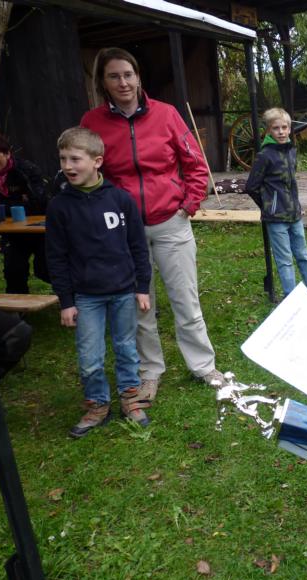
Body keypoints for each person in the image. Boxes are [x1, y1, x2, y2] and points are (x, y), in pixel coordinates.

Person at [80, 47, 223, 402]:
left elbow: (195, 163)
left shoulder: (166, 114)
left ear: (138, 77)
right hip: (123, 230)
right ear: (103, 82)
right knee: (139, 306)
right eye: (114, 76)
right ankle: (149, 372)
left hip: (171, 221)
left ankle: (203, 365)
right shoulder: (92, 123)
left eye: (128, 74)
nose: (123, 82)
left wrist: (189, 203)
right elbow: (86, 171)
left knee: (185, 299)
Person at [45, 127, 152, 437]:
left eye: (75, 159)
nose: (68, 166)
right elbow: (56, 258)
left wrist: (141, 287)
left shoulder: (121, 200)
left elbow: (138, 246)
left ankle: (130, 399)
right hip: (86, 296)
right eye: (63, 159)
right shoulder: (59, 207)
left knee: (126, 348)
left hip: (123, 292)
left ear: (97, 161)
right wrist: (66, 302)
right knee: (90, 357)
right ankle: (97, 405)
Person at [246, 108, 307, 308]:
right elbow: (251, 186)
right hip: (276, 219)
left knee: (304, 256)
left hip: (294, 215)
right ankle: (292, 301)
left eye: (284, 127)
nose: (281, 132)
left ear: (289, 128)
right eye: (276, 128)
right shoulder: (264, 156)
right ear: (268, 130)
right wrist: (269, 206)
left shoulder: (291, 151)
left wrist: (296, 205)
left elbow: (291, 183)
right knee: (285, 260)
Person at [0, 133, 51, 294]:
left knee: (45, 270)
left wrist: (3, 207)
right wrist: (18, 203)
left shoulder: (26, 170)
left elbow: (39, 203)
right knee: (13, 271)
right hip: (12, 235)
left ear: (7, 153)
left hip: (41, 232)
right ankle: (17, 308)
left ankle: (75, 300)